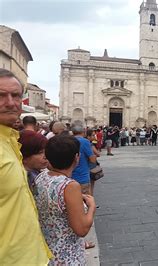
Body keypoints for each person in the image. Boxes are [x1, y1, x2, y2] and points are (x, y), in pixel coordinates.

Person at [0, 68, 52, 264]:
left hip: (31, 255)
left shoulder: (10, 140)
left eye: (15, 95)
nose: (11, 102)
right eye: (1, 95)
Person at [34, 134, 96, 264]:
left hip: (45, 248)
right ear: (76, 158)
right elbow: (81, 229)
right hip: (66, 255)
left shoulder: (41, 176)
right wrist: (91, 207)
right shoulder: (70, 186)